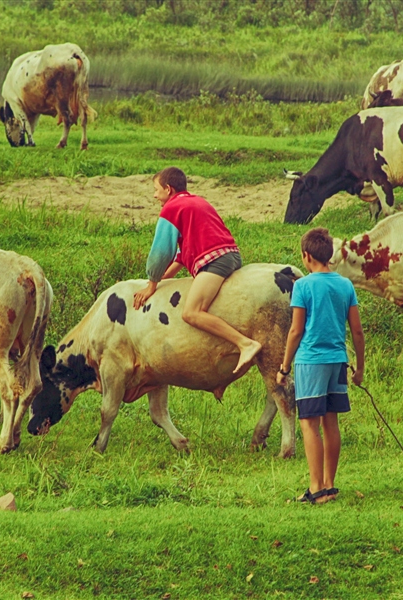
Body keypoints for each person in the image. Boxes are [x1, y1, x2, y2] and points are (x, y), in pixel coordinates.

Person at [133, 167, 261, 374]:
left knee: (191, 313)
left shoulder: (171, 208)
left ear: (168, 189)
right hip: (230, 255)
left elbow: (161, 252)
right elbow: (182, 254)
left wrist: (151, 284)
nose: (155, 195)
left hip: (215, 261)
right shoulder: (197, 201)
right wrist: (163, 279)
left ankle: (245, 344)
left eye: (156, 190)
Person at [277, 227, 365, 504]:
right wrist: (360, 368)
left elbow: (295, 331)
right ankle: (329, 484)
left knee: (308, 423)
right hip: (338, 361)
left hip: (311, 362)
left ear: (306, 256)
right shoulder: (345, 285)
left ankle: (316, 489)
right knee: (330, 422)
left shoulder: (303, 286)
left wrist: (284, 367)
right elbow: (357, 331)